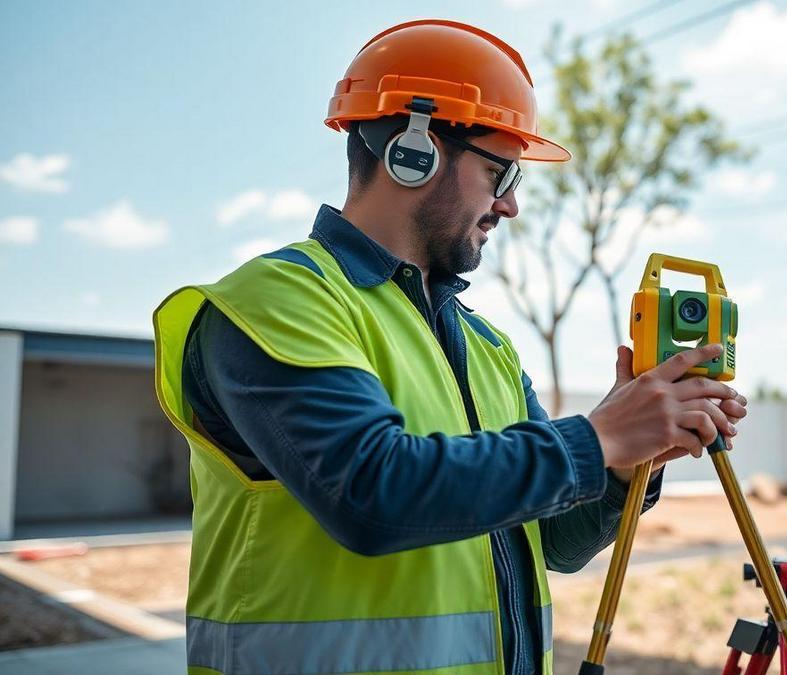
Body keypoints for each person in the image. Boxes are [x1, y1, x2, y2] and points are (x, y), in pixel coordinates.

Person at [152, 19, 748, 675]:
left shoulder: (485, 346)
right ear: (414, 149)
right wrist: (596, 437)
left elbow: (556, 540)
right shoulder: (278, 300)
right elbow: (371, 493)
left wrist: (629, 463)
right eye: (500, 172)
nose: (512, 204)